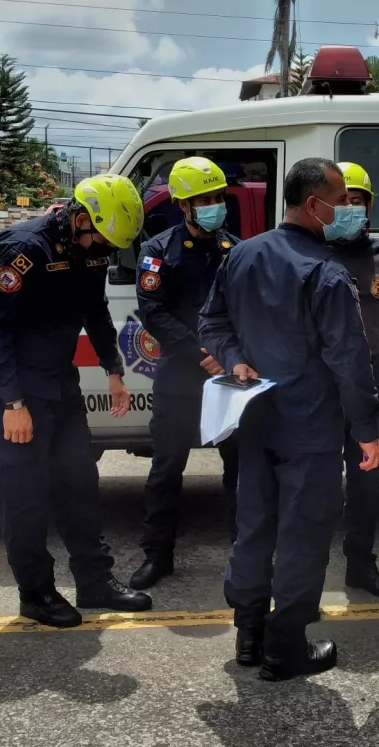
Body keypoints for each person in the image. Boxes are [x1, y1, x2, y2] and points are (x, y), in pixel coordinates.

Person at [199, 157, 379, 681]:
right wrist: (368, 431)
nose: (348, 209)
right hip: (310, 429)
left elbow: (210, 321)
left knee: (254, 527)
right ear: (313, 205)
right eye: (341, 199)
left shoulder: (243, 255)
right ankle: (285, 648)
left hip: (254, 420)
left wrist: (233, 356)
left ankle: (249, 632)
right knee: (303, 535)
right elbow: (350, 361)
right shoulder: (326, 272)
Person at [0, 173, 153, 629]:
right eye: (100, 243)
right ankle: (35, 593)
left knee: (79, 484)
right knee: (25, 496)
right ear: (78, 220)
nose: (104, 254)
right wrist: (13, 403)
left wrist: (114, 370)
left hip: (60, 382)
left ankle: (95, 582)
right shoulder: (24, 250)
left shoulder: (92, 250)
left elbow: (95, 310)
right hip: (15, 390)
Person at [131, 157, 240, 591]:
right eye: (204, 200)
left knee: (239, 468)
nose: (215, 206)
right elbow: (152, 313)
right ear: (182, 204)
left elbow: (246, 309)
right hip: (180, 374)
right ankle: (158, 556)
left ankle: (243, 554)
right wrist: (202, 353)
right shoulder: (156, 251)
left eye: (218, 198)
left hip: (228, 376)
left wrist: (226, 355)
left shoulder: (237, 248)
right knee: (166, 469)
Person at [328, 162, 379, 600]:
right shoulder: (309, 252)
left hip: (373, 378)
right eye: (339, 202)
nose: (348, 209)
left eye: (355, 201)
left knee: (365, 480)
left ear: (369, 205)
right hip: (322, 384)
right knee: (316, 484)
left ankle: (361, 565)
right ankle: (303, 579)